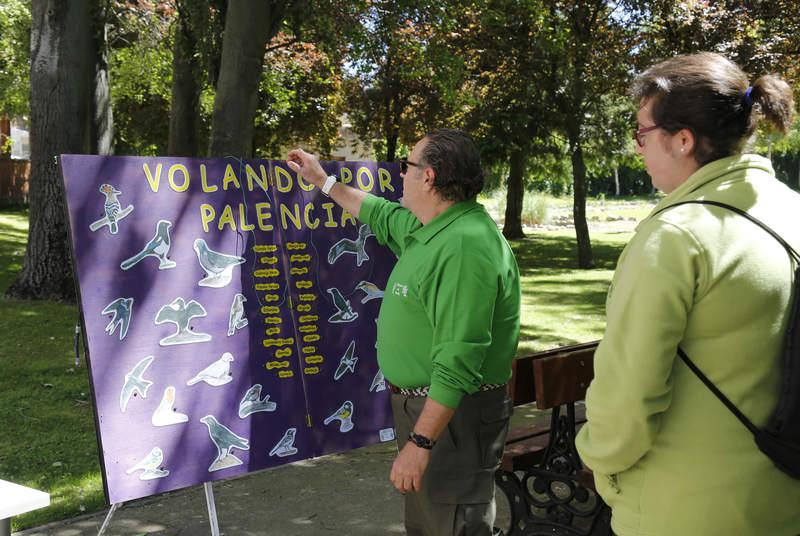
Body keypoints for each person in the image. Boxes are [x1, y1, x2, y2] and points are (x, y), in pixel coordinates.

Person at [575, 52, 800, 535]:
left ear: (682, 140)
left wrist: (600, 462)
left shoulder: (675, 236)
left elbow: (628, 397)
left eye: (641, 134)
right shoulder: (791, 210)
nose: (637, 149)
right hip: (783, 494)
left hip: (687, 507)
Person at [287, 129, 521, 536]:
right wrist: (322, 180)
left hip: (452, 418)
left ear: (428, 177)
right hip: (434, 414)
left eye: (406, 166)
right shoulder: (435, 227)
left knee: (452, 524)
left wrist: (421, 443)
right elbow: (379, 212)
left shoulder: (463, 246)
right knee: (431, 523)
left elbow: (458, 362)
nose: (400, 175)